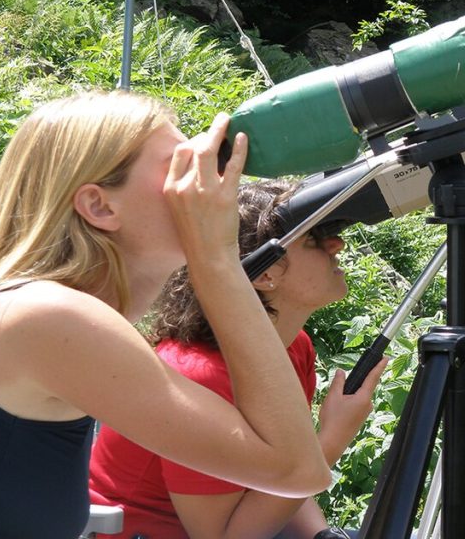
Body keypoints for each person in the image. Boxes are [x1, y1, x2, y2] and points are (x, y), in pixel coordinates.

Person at [0, 91, 330, 539]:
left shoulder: (26, 310)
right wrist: (217, 256)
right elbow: (295, 469)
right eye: (178, 168)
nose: (202, 183)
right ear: (99, 207)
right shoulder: (48, 317)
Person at [89, 179, 388, 539]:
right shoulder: (200, 376)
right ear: (265, 274)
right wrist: (334, 436)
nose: (336, 244)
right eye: (313, 239)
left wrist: (322, 536)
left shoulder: (294, 347)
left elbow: (275, 476)